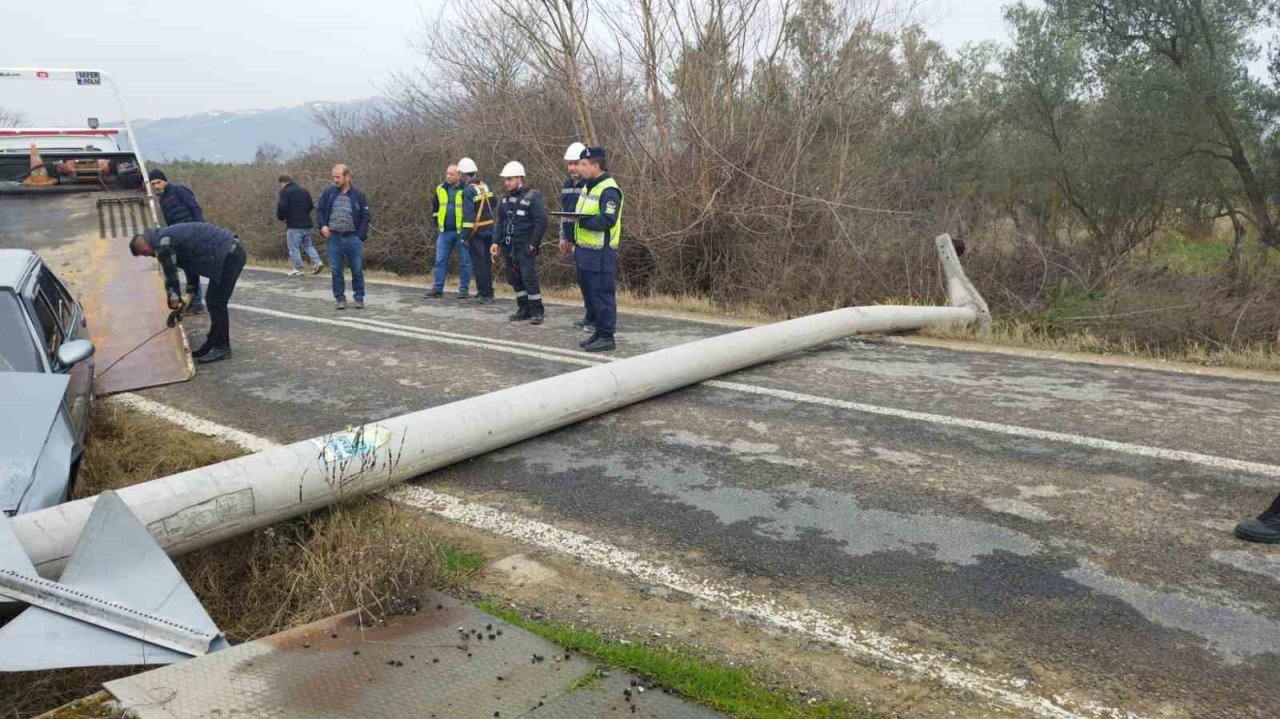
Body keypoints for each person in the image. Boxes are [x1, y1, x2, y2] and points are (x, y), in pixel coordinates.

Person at [129, 222, 245, 365]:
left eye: (145, 254)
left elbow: (171, 275)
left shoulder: (162, 243)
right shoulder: (165, 238)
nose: (149, 256)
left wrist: (174, 301)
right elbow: (191, 264)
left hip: (229, 255)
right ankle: (213, 342)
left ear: (145, 248)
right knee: (213, 300)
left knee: (216, 302)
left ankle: (222, 347)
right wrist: (190, 290)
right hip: (228, 253)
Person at [570, 146, 623, 352]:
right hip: (585, 250)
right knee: (591, 294)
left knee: (602, 294)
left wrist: (582, 222)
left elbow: (608, 219)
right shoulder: (588, 186)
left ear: (595, 166)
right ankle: (598, 332)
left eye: (583, 164)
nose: (579, 168)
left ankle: (607, 335)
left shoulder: (609, 189)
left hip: (601, 252)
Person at [491, 161, 547, 324]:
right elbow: (500, 222)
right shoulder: (505, 200)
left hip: (525, 245)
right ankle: (523, 308)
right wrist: (495, 242)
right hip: (509, 246)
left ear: (519, 178)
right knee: (514, 278)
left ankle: (537, 311)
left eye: (510, 179)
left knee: (528, 278)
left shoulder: (532, 197)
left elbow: (541, 222)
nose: (507, 182)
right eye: (505, 179)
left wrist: (533, 243)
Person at [148, 169, 207, 314]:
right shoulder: (162, 199)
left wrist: (202, 229)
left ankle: (197, 303)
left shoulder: (179, 190)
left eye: (158, 182)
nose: (156, 186)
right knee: (188, 267)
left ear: (165, 180)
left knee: (192, 268)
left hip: (192, 232)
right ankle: (194, 302)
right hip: (179, 237)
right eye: (153, 184)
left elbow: (195, 208)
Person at [316, 164, 371, 310]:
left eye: (338, 177)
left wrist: (360, 236)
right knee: (336, 270)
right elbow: (320, 210)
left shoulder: (358, 195)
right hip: (334, 237)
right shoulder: (329, 193)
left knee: (357, 269)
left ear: (347, 177)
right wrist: (322, 226)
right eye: (334, 177)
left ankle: (359, 298)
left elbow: (366, 216)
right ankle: (340, 298)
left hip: (353, 238)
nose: (335, 180)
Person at [557, 142, 591, 332]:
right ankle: (589, 315)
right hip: (573, 239)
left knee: (591, 281)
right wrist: (563, 236)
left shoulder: (590, 184)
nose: (572, 168)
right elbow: (565, 213)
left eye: (576, 163)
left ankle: (595, 317)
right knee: (582, 280)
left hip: (587, 239)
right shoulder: (567, 185)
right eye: (570, 164)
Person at [426, 164, 472, 299]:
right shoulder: (440, 188)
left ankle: (464, 290)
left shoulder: (466, 189)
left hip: (461, 232)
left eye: (451, 174)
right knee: (440, 260)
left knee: (465, 262)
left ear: (459, 175)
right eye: (447, 173)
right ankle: (437, 289)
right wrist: (436, 222)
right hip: (444, 231)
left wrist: (468, 229)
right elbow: (435, 208)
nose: (448, 176)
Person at [459, 157, 496, 304]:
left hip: (477, 232)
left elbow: (468, 217)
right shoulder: (485, 186)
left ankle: (484, 295)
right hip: (489, 229)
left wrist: (464, 236)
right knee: (486, 263)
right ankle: (488, 292)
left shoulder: (468, 190)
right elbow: (494, 203)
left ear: (463, 175)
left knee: (479, 264)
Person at [276, 174, 323, 276]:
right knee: (308, 245)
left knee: (293, 247)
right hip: (306, 224)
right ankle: (317, 262)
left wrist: (281, 217)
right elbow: (311, 206)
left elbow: (282, 206)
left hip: (294, 225)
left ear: (282, 183)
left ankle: (298, 268)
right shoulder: (304, 191)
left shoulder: (285, 192)